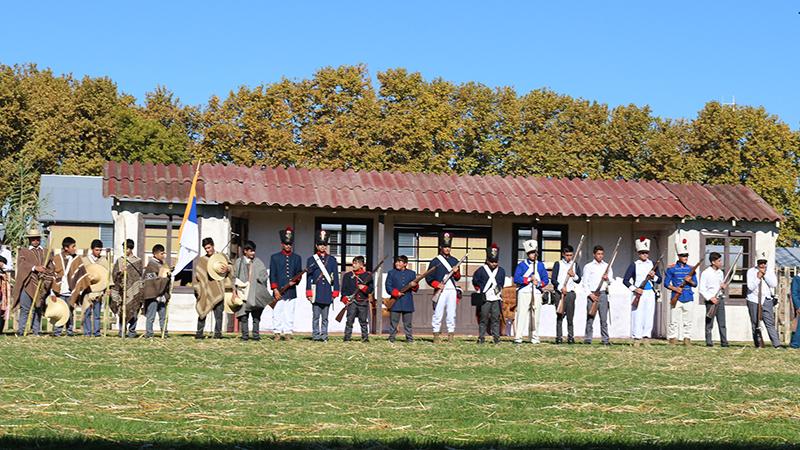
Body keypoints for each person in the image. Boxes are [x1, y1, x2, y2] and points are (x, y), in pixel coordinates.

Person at [12, 226, 54, 336]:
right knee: (25, 309)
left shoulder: (45, 252)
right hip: (28, 283)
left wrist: (45, 273)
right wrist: (35, 268)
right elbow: (22, 265)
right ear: (29, 240)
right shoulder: (24, 251)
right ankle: (21, 331)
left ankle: (36, 331)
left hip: (41, 284)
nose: (35, 241)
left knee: (38, 308)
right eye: (33, 239)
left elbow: (50, 267)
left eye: (37, 238)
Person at [623, 237, 660, 347]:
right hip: (638, 292)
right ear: (639, 253)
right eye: (642, 253)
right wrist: (635, 289)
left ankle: (646, 337)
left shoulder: (653, 264)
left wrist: (654, 277)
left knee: (649, 315)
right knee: (637, 315)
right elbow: (625, 280)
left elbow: (660, 279)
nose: (645, 255)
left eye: (646, 253)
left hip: (650, 292)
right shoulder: (634, 265)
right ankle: (636, 338)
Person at [426, 232, 461, 343]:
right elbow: (429, 278)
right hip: (440, 290)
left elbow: (457, 278)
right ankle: (436, 334)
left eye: (449, 247)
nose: (447, 249)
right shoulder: (435, 261)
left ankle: (450, 334)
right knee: (438, 313)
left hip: (452, 291)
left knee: (451, 313)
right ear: (441, 247)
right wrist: (437, 285)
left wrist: (456, 272)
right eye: (445, 247)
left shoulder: (455, 260)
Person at [269, 227, 303, 341]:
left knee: (289, 312)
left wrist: (295, 281)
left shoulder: (297, 258)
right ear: (282, 244)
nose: (288, 246)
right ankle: (277, 332)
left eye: (290, 244)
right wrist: (275, 290)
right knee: (277, 312)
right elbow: (272, 275)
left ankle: (288, 332)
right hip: (279, 290)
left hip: (291, 290)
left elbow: (299, 273)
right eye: (286, 243)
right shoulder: (275, 257)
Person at [306, 230, 340, 342]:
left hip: (326, 291)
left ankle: (324, 335)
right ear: (316, 245)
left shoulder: (332, 260)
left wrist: (335, 291)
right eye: (320, 244)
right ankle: (316, 335)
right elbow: (309, 277)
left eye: (324, 245)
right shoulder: (311, 259)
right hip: (317, 291)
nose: (322, 247)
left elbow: (335, 276)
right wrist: (308, 292)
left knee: (325, 318)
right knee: (316, 317)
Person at [194, 237, 231, 339]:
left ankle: (218, 334)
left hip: (219, 290)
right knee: (203, 311)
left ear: (213, 245)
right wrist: (198, 289)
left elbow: (232, 268)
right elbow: (198, 276)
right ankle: (199, 333)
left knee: (219, 314)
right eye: (205, 248)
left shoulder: (222, 257)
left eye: (209, 247)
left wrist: (228, 268)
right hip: (205, 291)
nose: (207, 250)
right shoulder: (202, 260)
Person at [513, 240, 549, 344]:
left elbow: (545, 280)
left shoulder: (540, 265)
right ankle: (518, 337)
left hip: (536, 292)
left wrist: (538, 283)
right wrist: (529, 279)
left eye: (534, 252)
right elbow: (516, 279)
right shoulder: (522, 265)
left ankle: (534, 336)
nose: (533, 254)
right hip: (524, 292)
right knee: (522, 314)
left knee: (535, 315)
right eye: (531, 252)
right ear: (528, 254)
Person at [233, 240, 269, 341]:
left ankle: (256, 335)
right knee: (244, 316)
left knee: (256, 316)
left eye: (254, 251)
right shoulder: (239, 262)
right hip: (242, 293)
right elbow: (234, 276)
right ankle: (245, 336)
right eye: (251, 251)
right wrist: (234, 291)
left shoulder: (258, 262)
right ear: (245, 251)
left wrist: (259, 278)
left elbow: (265, 275)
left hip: (255, 292)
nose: (253, 253)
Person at [664, 237, 697, 346]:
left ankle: (687, 339)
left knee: (688, 321)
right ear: (678, 256)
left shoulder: (691, 269)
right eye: (683, 255)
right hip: (676, 297)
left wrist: (690, 281)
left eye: (686, 255)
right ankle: (673, 338)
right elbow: (666, 283)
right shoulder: (671, 268)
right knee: (673, 320)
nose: (685, 257)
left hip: (688, 296)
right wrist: (676, 289)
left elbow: (695, 284)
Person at [746, 250, 780, 348]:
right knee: (755, 323)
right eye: (761, 262)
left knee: (769, 322)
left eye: (764, 263)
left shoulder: (769, 271)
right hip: (753, 299)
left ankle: (776, 344)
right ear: (757, 263)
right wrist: (757, 278)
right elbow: (750, 287)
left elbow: (774, 284)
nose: (762, 264)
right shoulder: (751, 271)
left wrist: (764, 275)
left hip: (766, 299)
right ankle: (758, 344)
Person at [472, 243, 505, 344]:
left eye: (495, 262)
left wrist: (497, 291)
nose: (494, 264)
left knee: (496, 318)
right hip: (484, 298)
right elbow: (475, 281)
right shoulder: (481, 270)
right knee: (483, 318)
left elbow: (501, 283)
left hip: (496, 298)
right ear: (487, 260)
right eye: (492, 262)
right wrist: (480, 291)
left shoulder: (501, 271)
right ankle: (481, 337)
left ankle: (496, 337)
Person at [111, 239, 144, 338]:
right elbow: (114, 275)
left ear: (131, 248)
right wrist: (121, 272)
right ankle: (122, 330)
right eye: (124, 248)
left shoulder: (137, 261)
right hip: (123, 290)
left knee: (134, 310)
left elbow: (139, 275)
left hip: (134, 290)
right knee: (122, 311)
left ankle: (132, 331)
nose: (125, 250)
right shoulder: (120, 260)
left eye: (127, 248)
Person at [582, 245, 613, 345]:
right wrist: (590, 294)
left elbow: (610, 281)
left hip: (603, 294)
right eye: (598, 254)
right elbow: (585, 283)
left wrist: (606, 278)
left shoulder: (607, 266)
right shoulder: (588, 266)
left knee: (603, 319)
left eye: (602, 254)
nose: (600, 256)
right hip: (592, 294)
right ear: (594, 254)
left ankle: (605, 339)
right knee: (590, 317)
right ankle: (588, 339)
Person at [551, 244, 582, 344]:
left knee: (570, 317)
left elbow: (578, 280)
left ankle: (570, 337)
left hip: (570, 294)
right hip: (559, 293)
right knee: (559, 316)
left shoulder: (575, 265)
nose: (569, 257)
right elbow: (553, 279)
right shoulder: (558, 264)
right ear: (563, 254)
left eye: (571, 255)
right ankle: (559, 337)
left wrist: (574, 275)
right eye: (567, 255)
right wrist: (561, 288)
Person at [340, 256, 374, 342]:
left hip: (363, 301)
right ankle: (347, 337)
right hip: (352, 302)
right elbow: (344, 290)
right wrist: (345, 299)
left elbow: (371, 289)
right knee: (349, 321)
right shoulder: (347, 276)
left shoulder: (368, 275)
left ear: (361, 264)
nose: (353, 265)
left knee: (363, 321)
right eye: (353, 263)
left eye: (356, 263)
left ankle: (365, 338)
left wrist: (364, 288)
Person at [385, 255, 418, 343]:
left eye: (400, 262)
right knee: (393, 322)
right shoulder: (391, 273)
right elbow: (388, 287)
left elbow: (416, 288)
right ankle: (391, 338)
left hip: (407, 301)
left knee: (408, 323)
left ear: (405, 264)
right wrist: (396, 293)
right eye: (397, 261)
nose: (397, 263)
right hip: (395, 301)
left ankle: (409, 339)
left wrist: (414, 286)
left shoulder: (412, 273)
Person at [698, 252, 729, 347]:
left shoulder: (720, 273)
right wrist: (710, 298)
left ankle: (724, 342)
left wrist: (723, 286)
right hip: (710, 301)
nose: (721, 263)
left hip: (720, 299)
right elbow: (701, 289)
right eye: (719, 261)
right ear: (713, 262)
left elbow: (721, 285)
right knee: (709, 323)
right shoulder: (706, 273)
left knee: (722, 322)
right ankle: (709, 342)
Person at [143, 244, 171, 338]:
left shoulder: (163, 264)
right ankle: (149, 333)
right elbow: (153, 281)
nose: (163, 255)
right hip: (153, 295)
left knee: (163, 316)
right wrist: (165, 278)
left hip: (162, 295)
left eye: (164, 253)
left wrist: (168, 276)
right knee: (151, 316)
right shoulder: (151, 266)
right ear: (155, 254)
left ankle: (164, 332)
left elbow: (163, 276)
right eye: (161, 253)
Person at [82, 239, 109, 337]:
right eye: (97, 250)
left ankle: (97, 332)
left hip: (99, 290)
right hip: (88, 289)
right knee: (87, 312)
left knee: (97, 313)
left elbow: (107, 276)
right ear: (92, 249)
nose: (98, 252)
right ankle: (87, 332)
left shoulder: (103, 260)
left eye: (100, 250)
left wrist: (107, 289)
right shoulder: (85, 260)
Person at [790, 273, 800, 349]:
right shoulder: (797, 279)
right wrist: (798, 306)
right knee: (798, 326)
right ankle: (795, 344)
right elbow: (794, 293)